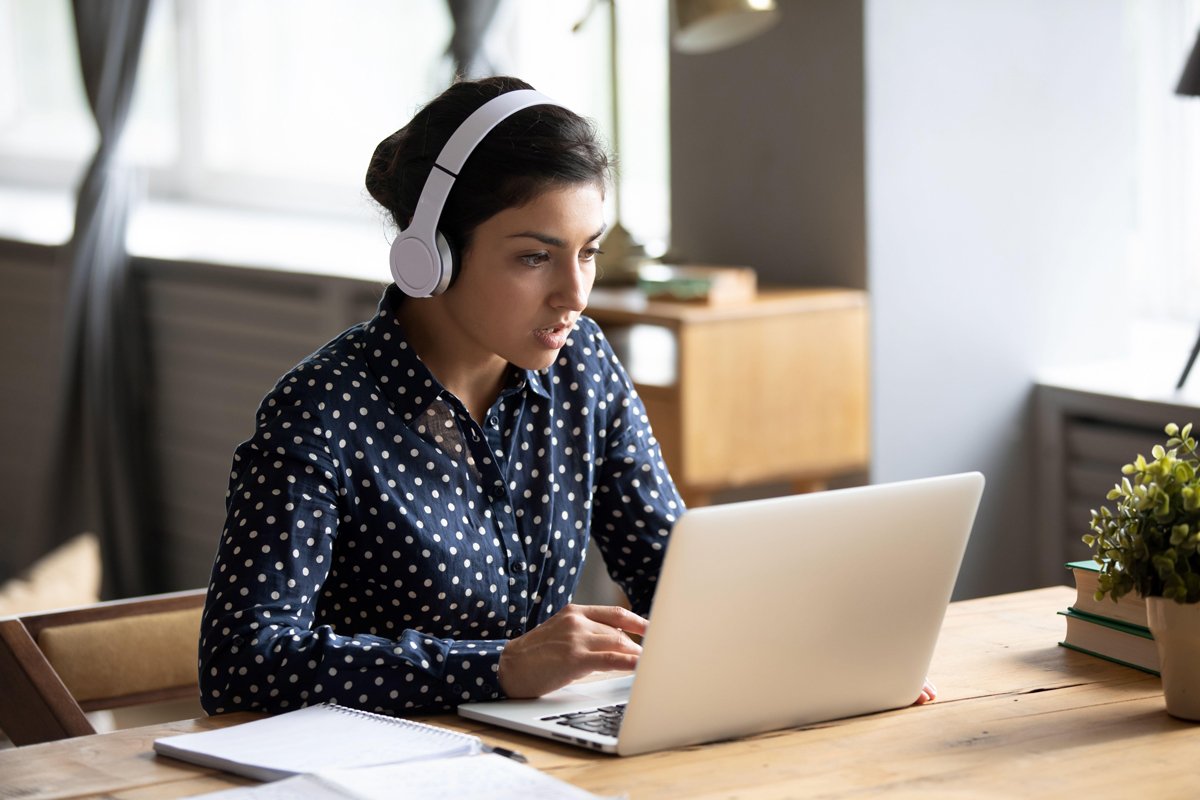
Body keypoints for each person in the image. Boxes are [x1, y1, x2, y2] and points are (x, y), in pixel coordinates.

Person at [198, 76, 683, 716]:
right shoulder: (320, 412)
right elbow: (241, 662)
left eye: (586, 252)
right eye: (536, 257)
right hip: (376, 766)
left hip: (538, 751)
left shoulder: (582, 364)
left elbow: (673, 572)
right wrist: (500, 667)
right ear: (433, 256)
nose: (576, 294)